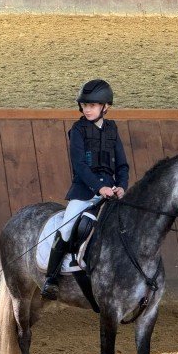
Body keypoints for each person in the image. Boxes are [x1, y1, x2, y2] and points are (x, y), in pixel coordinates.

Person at [41, 79, 129, 300]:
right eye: (84, 105)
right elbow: (79, 166)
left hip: (110, 194)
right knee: (67, 229)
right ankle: (51, 279)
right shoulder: (78, 130)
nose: (86, 109)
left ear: (105, 107)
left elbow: (122, 165)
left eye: (92, 105)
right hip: (84, 193)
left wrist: (121, 187)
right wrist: (100, 188)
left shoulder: (112, 129)